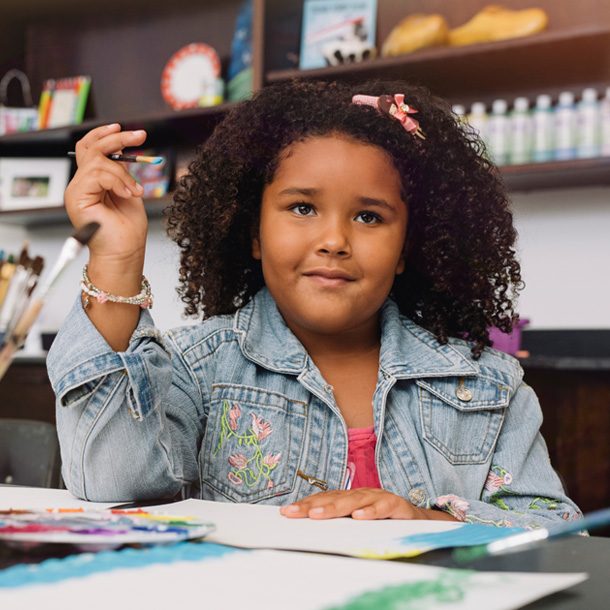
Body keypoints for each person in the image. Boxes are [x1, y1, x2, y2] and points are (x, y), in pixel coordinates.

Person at [48, 79, 581, 528]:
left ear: (407, 248)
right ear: (252, 233)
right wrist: (115, 259)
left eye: (369, 216)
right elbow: (111, 485)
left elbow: (554, 530)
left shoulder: (489, 386)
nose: (334, 240)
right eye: (302, 207)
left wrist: (429, 521)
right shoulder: (194, 369)